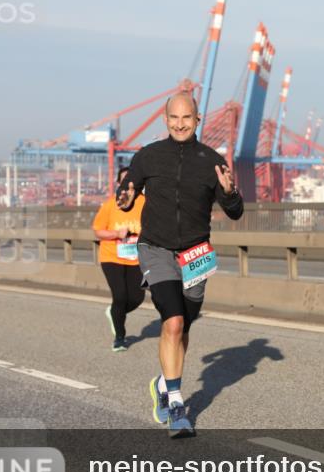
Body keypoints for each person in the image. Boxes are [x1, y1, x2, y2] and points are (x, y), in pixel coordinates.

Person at [117, 92, 244, 438]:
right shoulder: (148, 156)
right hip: (156, 248)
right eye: (174, 118)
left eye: (186, 118)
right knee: (171, 322)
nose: (180, 124)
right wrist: (125, 196)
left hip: (196, 254)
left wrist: (230, 193)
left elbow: (234, 211)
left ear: (197, 119)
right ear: (166, 119)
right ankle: (176, 403)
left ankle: (162, 383)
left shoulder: (211, 161)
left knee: (183, 327)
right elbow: (126, 195)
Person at [93, 167, 147, 352]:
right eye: (123, 182)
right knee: (120, 296)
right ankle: (120, 338)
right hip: (112, 257)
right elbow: (98, 231)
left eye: (131, 182)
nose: (127, 186)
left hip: (136, 258)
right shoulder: (110, 205)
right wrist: (117, 233)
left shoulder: (145, 203)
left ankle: (114, 313)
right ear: (118, 185)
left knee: (137, 297)